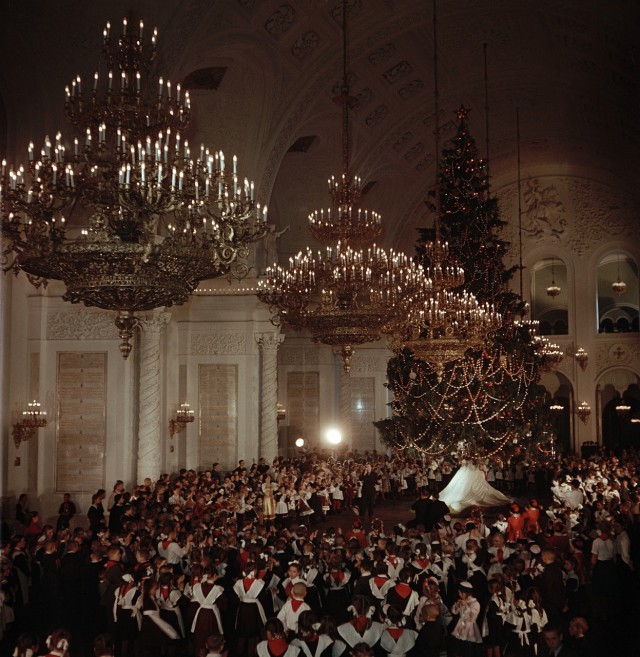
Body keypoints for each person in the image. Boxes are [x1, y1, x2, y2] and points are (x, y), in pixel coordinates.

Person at [450, 581, 483, 657]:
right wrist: (457, 606)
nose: (459, 594)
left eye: (460, 592)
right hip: (461, 628)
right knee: (458, 651)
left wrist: (466, 606)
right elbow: (454, 612)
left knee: (467, 651)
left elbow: (472, 617)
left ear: (465, 593)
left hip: (470, 629)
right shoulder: (463, 601)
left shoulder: (476, 603)